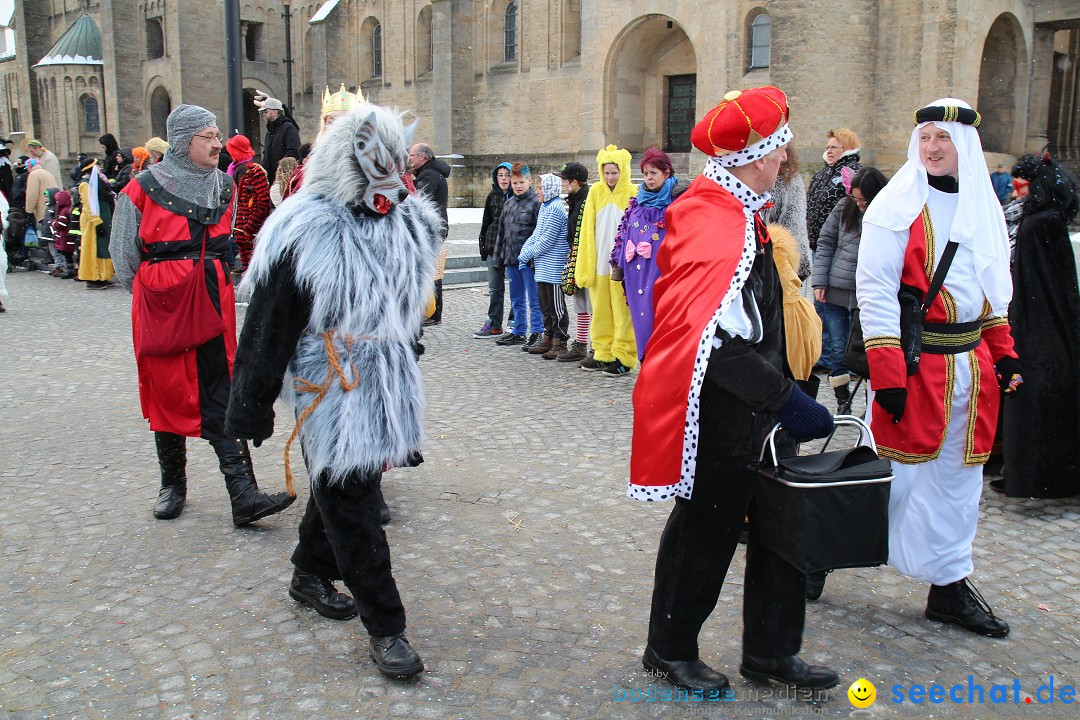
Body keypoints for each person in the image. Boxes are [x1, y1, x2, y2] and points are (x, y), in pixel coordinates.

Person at [631, 86, 838, 695]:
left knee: (780, 531)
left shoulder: (742, 213)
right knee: (706, 531)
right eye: (779, 153)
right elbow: (710, 342)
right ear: (756, 155)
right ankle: (668, 649)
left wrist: (784, 395)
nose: (783, 162)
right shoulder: (712, 218)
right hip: (725, 414)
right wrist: (787, 400)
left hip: (764, 411)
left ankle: (772, 652)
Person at [224, 104, 439, 680]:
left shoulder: (407, 223)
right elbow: (269, 324)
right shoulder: (305, 229)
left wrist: (403, 360)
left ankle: (308, 572)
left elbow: (406, 313)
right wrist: (249, 406)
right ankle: (386, 627)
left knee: (345, 486)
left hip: (386, 378)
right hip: (332, 387)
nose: (390, 174)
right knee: (353, 501)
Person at [856, 98, 1018, 638]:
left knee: (959, 486)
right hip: (917, 368)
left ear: (965, 146)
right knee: (896, 483)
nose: (932, 148)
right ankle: (821, 553)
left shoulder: (983, 209)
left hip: (970, 372)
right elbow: (876, 294)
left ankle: (948, 588)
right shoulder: (895, 208)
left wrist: (1005, 352)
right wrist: (887, 377)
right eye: (924, 137)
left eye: (943, 139)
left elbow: (989, 293)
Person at [109, 104, 295, 526]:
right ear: (182, 141)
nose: (217, 144)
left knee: (220, 385)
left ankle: (243, 495)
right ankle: (172, 484)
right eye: (208, 136)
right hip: (161, 302)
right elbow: (123, 261)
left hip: (212, 298)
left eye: (217, 136)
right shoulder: (140, 189)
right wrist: (163, 288)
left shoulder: (223, 188)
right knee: (166, 385)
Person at [1001, 153, 1080, 498]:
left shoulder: (1038, 224)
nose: (1017, 190)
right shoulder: (1043, 220)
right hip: (1036, 325)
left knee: (1029, 393)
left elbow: (1035, 281)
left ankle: (1032, 475)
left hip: (1034, 329)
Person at [812, 166, 887, 413]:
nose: (859, 204)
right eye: (856, 199)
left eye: (864, 200)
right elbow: (825, 241)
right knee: (837, 345)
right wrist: (819, 280)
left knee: (865, 350)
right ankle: (842, 401)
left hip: (867, 294)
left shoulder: (887, 212)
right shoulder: (845, 208)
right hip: (835, 289)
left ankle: (870, 402)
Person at [610, 148, 686, 359]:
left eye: (654, 173)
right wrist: (618, 262)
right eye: (645, 174)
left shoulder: (677, 202)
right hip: (637, 274)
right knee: (641, 323)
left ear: (666, 173)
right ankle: (646, 365)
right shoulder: (637, 203)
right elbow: (624, 232)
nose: (649, 179)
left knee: (660, 321)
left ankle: (663, 367)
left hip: (662, 272)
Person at [575, 145, 637, 375]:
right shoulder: (595, 193)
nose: (611, 177)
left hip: (622, 266)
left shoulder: (632, 192)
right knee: (600, 311)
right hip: (600, 262)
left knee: (622, 313)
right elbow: (586, 229)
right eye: (607, 172)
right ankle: (602, 351)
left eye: (615, 172)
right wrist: (585, 263)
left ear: (623, 171)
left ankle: (624, 355)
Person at [518, 173, 570, 357]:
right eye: (538, 188)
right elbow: (537, 234)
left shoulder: (556, 208)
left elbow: (547, 240)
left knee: (556, 307)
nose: (538, 191)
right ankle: (548, 337)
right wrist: (525, 250)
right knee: (545, 307)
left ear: (550, 189)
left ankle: (560, 341)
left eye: (541, 188)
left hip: (554, 267)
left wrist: (527, 254)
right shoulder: (545, 207)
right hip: (543, 266)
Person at [492, 163, 542, 346]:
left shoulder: (536, 203)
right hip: (511, 259)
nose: (518, 186)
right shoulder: (509, 203)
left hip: (529, 261)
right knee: (516, 298)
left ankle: (537, 331)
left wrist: (535, 258)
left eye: (521, 182)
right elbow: (502, 234)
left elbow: (540, 233)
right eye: (514, 183)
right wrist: (498, 258)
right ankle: (519, 330)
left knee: (534, 298)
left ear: (529, 181)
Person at [410, 143, 451, 325]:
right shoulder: (429, 173)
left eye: (412, 155)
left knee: (432, 270)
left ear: (423, 157)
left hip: (431, 228)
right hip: (433, 227)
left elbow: (419, 200)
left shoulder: (429, 175)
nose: (409, 159)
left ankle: (433, 313)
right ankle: (429, 311)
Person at [556, 162, 592, 364]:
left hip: (585, 258)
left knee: (590, 303)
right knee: (580, 303)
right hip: (576, 256)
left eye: (564, 180)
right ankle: (580, 344)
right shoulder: (575, 200)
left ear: (574, 182)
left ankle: (592, 345)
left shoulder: (586, 200)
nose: (562, 184)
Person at [474, 162, 513, 338]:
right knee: (495, 288)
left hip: (513, 248)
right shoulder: (492, 196)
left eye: (507, 175)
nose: (504, 179)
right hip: (493, 247)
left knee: (516, 288)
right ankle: (494, 323)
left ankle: (515, 322)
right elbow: (486, 222)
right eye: (500, 175)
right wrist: (483, 247)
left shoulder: (518, 195)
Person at [762, 146, 812, 279]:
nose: (783, 157)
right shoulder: (788, 178)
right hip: (771, 270)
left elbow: (794, 225)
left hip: (774, 268)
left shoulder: (789, 179)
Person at [225, 134, 273, 271]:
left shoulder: (254, 171)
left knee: (255, 267)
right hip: (241, 229)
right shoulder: (235, 169)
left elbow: (263, 202)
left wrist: (249, 227)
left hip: (249, 230)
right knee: (248, 266)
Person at [74, 159, 116, 289]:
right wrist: (97, 222)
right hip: (93, 222)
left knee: (102, 247)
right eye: (96, 166)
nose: (99, 168)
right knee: (94, 248)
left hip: (102, 218)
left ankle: (102, 275)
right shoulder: (85, 185)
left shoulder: (97, 183)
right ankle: (93, 277)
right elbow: (88, 205)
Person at [259, 97, 301, 181]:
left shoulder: (288, 128)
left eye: (266, 111)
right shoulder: (270, 132)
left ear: (275, 112)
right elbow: (266, 154)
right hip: (271, 177)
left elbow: (294, 151)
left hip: (284, 177)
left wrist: (280, 168)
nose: (264, 114)